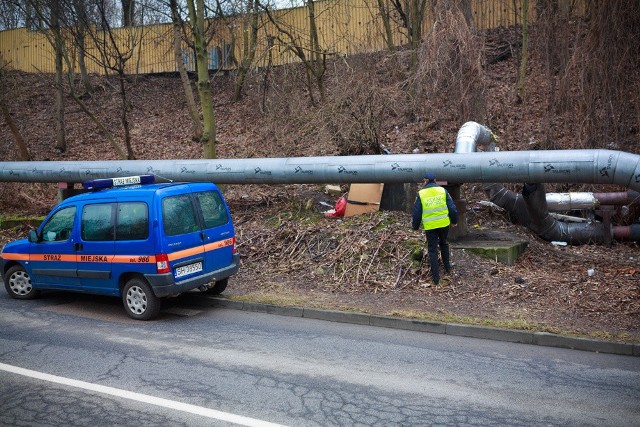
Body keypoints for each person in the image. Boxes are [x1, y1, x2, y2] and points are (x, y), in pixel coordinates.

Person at [412, 172, 458, 285]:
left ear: (425, 180)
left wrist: (415, 226)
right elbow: (452, 207)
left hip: (430, 226)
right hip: (444, 224)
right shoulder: (442, 191)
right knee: (444, 244)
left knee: (432, 250)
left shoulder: (421, 193)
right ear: (435, 180)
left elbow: (417, 212)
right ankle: (448, 268)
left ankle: (436, 278)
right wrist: (454, 221)